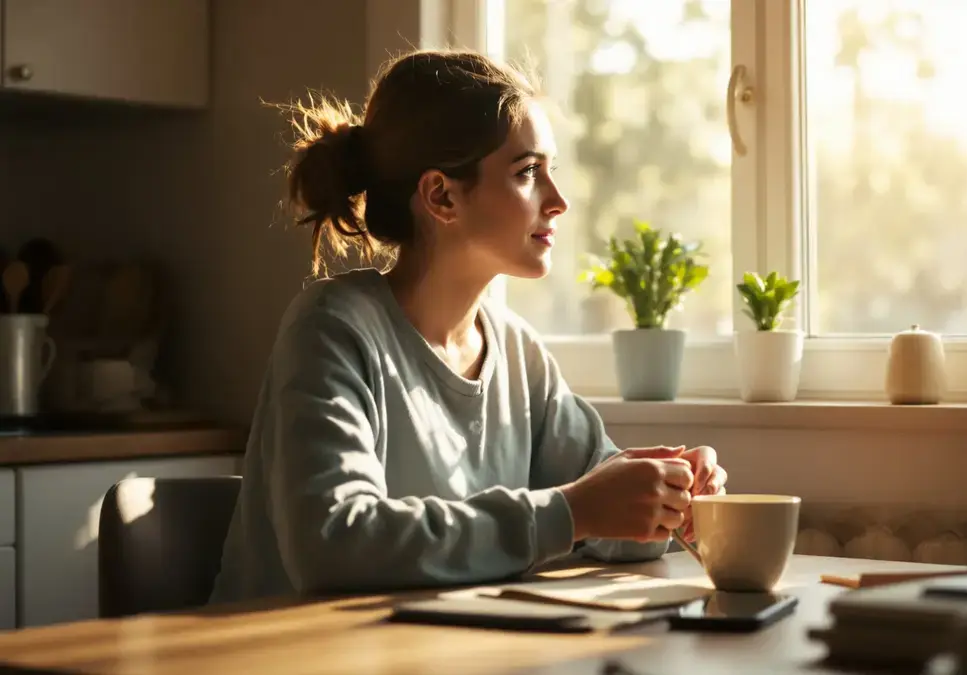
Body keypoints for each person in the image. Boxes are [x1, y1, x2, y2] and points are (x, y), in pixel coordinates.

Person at [207, 49, 728, 603]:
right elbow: (335, 543)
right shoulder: (333, 330)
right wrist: (572, 511)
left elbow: (598, 519)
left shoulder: (519, 353)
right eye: (528, 172)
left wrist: (663, 498)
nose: (559, 201)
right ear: (442, 196)